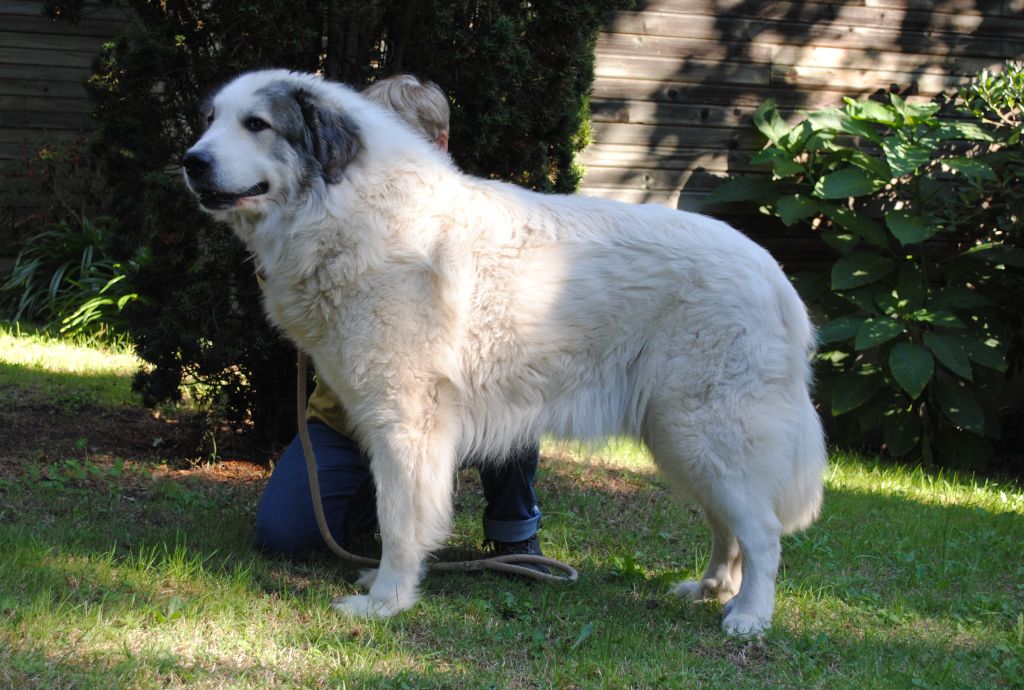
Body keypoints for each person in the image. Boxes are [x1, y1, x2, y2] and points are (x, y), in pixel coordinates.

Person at [254, 74, 547, 574]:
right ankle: (388, 504)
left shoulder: (485, 220)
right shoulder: (331, 214)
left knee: (515, 389)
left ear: (438, 145)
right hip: (349, 421)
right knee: (283, 535)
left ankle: (514, 533)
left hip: (464, 409)